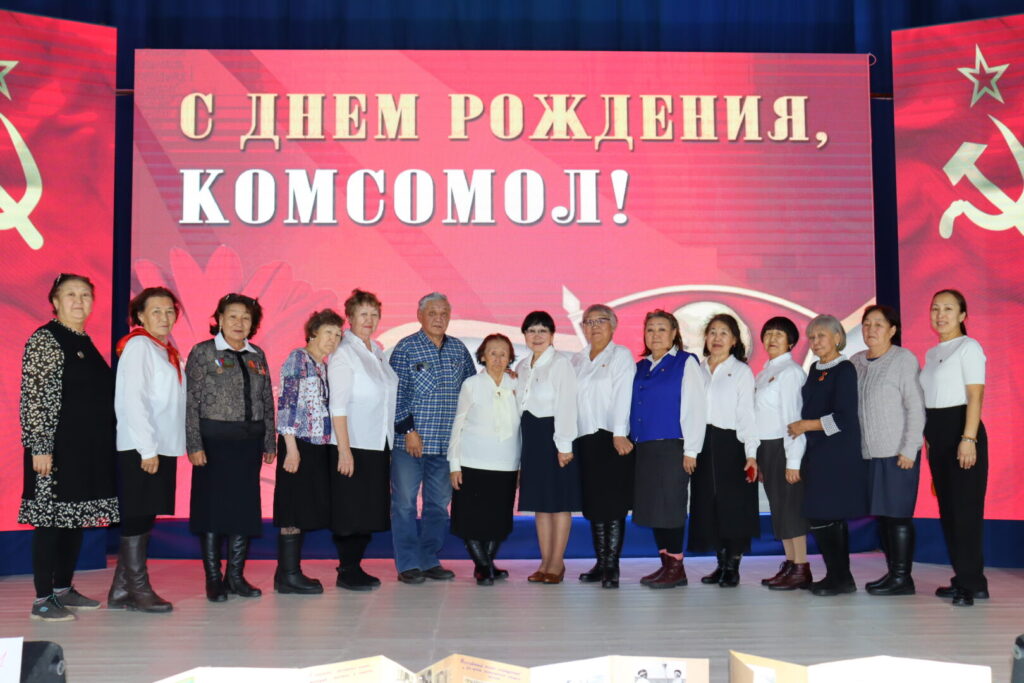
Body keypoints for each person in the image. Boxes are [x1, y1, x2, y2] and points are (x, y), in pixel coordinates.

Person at [19, 274, 119, 621]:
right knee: (50, 522)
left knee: (72, 519)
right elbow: (35, 397)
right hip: (54, 451)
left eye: (85, 295)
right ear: (55, 302)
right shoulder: (46, 339)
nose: (79, 301)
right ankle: (42, 599)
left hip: (85, 450)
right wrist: (40, 447)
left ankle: (63, 588)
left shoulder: (83, 340)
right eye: (71, 294)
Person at [186, 293, 276, 602]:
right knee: (211, 510)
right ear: (220, 319)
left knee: (244, 510)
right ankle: (214, 579)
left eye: (246, 317)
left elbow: (267, 400)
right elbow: (191, 402)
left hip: (249, 443)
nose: (239, 322)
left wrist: (269, 439)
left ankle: (235, 577)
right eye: (233, 316)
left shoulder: (257, 354)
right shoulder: (203, 352)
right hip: (213, 444)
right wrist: (194, 443)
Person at [389, 293, 476, 584]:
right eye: (432, 313)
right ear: (420, 316)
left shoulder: (459, 349)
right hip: (410, 444)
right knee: (404, 504)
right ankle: (407, 564)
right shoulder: (406, 347)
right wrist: (408, 431)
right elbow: (396, 394)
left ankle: (428, 560)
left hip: (446, 445)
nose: (439, 318)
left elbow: (472, 389)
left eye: (444, 313)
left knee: (438, 506)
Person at [110, 286, 186, 613]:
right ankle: (139, 589)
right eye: (156, 311)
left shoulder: (163, 348)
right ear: (140, 315)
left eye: (169, 311)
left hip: (161, 444)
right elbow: (133, 400)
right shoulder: (139, 346)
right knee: (138, 516)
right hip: (143, 447)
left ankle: (120, 591)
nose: (164, 317)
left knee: (146, 514)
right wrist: (147, 448)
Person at [788, 314, 867, 596]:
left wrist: (805, 425)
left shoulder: (844, 369)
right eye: (811, 337)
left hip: (837, 453)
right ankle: (838, 576)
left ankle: (840, 577)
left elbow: (844, 418)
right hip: (817, 451)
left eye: (821, 335)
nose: (815, 341)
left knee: (827, 513)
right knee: (821, 515)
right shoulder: (815, 369)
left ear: (837, 337)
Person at [850, 305, 925, 596]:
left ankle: (903, 578)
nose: (871, 329)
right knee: (882, 515)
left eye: (878, 324)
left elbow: (915, 407)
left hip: (898, 453)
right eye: (867, 324)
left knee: (898, 516)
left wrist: (910, 448)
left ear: (893, 330)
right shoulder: (856, 361)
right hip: (868, 455)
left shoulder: (903, 359)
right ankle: (893, 573)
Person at [920, 289, 988, 606]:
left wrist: (968, 438)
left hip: (962, 431)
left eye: (948, 309)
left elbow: (975, 396)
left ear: (962, 315)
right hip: (938, 436)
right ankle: (966, 579)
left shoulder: (968, 347)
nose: (940, 315)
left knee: (965, 513)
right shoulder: (932, 353)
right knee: (948, 512)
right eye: (935, 308)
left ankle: (970, 584)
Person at [630, 310, 706, 589]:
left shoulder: (686, 363)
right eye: (650, 329)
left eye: (662, 329)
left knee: (671, 506)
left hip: (673, 446)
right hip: (645, 446)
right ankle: (665, 564)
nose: (655, 335)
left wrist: (691, 450)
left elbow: (695, 408)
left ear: (674, 333)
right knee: (654, 508)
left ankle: (677, 567)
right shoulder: (641, 366)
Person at [329, 290, 398, 590]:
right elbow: (337, 405)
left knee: (368, 510)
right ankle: (346, 570)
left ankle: (355, 566)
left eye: (374, 314)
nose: (369, 320)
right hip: (353, 444)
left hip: (377, 443)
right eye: (363, 314)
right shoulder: (344, 352)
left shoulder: (377, 351)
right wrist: (344, 450)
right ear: (349, 317)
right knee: (351, 511)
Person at [273, 309, 344, 594]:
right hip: (298, 444)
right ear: (313, 333)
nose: (333, 339)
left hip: (317, 445)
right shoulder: (298, 358)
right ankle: (290, 575)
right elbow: (287, 404)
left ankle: (286, 573)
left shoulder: (322, 366)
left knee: (303, 508)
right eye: (328, 332)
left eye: (337, 335)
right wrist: (291, 449)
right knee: (292, 508)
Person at [689, 314, 760, 587]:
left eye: (724, 333)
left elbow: (747, 414)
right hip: (702, 444)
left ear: (734, 340)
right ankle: (720, 563)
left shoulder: (740, 371)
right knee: (708, 504)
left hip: (732, 443)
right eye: (712, 332)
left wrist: (751, 453)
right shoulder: (697, 369)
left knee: (733, 505)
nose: (717, 338)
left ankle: (733, 566)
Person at [570, 304, 635, 589]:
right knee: (594, 503)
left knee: (613, 503)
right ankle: (600, 562)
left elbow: (623, 394)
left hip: (612, 438)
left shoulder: (620, 355)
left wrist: (619, 432)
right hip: (585, 437)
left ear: (613, 325)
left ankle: (612, 566)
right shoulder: (577, 359)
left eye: (601, 321)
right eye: (588, 322)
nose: (594, 326)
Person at [449, 334, 520, 585]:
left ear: (510, 358)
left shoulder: (517, 383)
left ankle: (486, 564)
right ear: (482, 356)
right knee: (470, 519)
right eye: (492, 353)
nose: (498, 358)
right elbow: (458, 425)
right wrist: (454, 464)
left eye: (503, 353)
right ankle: (483, 566)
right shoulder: (471, 384)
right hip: (472, 462)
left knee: (498, 520)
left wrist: (520, 465)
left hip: (506, 463)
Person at [516, 310, 579, 585]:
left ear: (552, 335)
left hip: (555, 437)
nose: (537, 335)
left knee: (559, 503)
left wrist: (564, 445)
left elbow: (567, 404)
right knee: (540, 505)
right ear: (524, 335)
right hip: (531, 439)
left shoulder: (561, 364)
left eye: (543, 330)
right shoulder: (522, 366)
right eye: (531, 330)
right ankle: (544, 563)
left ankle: (557, 563)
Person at [753, 317, 811, 591]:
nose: (772, 339)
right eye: (768, 334)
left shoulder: (791, 372)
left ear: (790, 342)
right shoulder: (764, 372)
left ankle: (801, 567)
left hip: (784, 446)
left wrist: (793, 460)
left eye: (779, 334)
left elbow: (793, 419)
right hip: (767, 448)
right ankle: (790, 564)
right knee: (779, 509)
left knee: (791, 509)